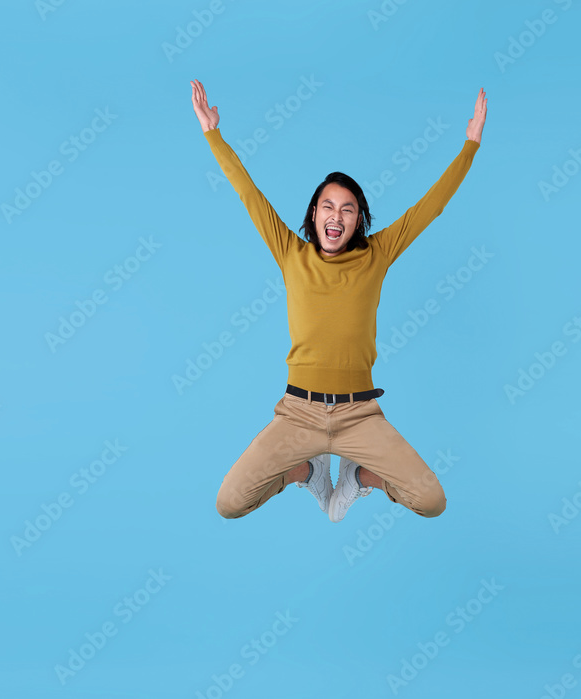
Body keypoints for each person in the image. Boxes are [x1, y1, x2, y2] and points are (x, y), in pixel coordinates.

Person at [191, 79, 486, 522]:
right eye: (328, 206)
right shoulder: (292, 253)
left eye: (348, 209)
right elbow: (248, 194)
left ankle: (357, 478)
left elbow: (431, 206)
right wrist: (214, 134)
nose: (337, 215)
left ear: (358, 220)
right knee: (229, 503)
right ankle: (305, 472)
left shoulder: (377, 255)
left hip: (359, 414)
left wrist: (470, 145)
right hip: (298, 414)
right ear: (314, 214)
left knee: (431, 502)